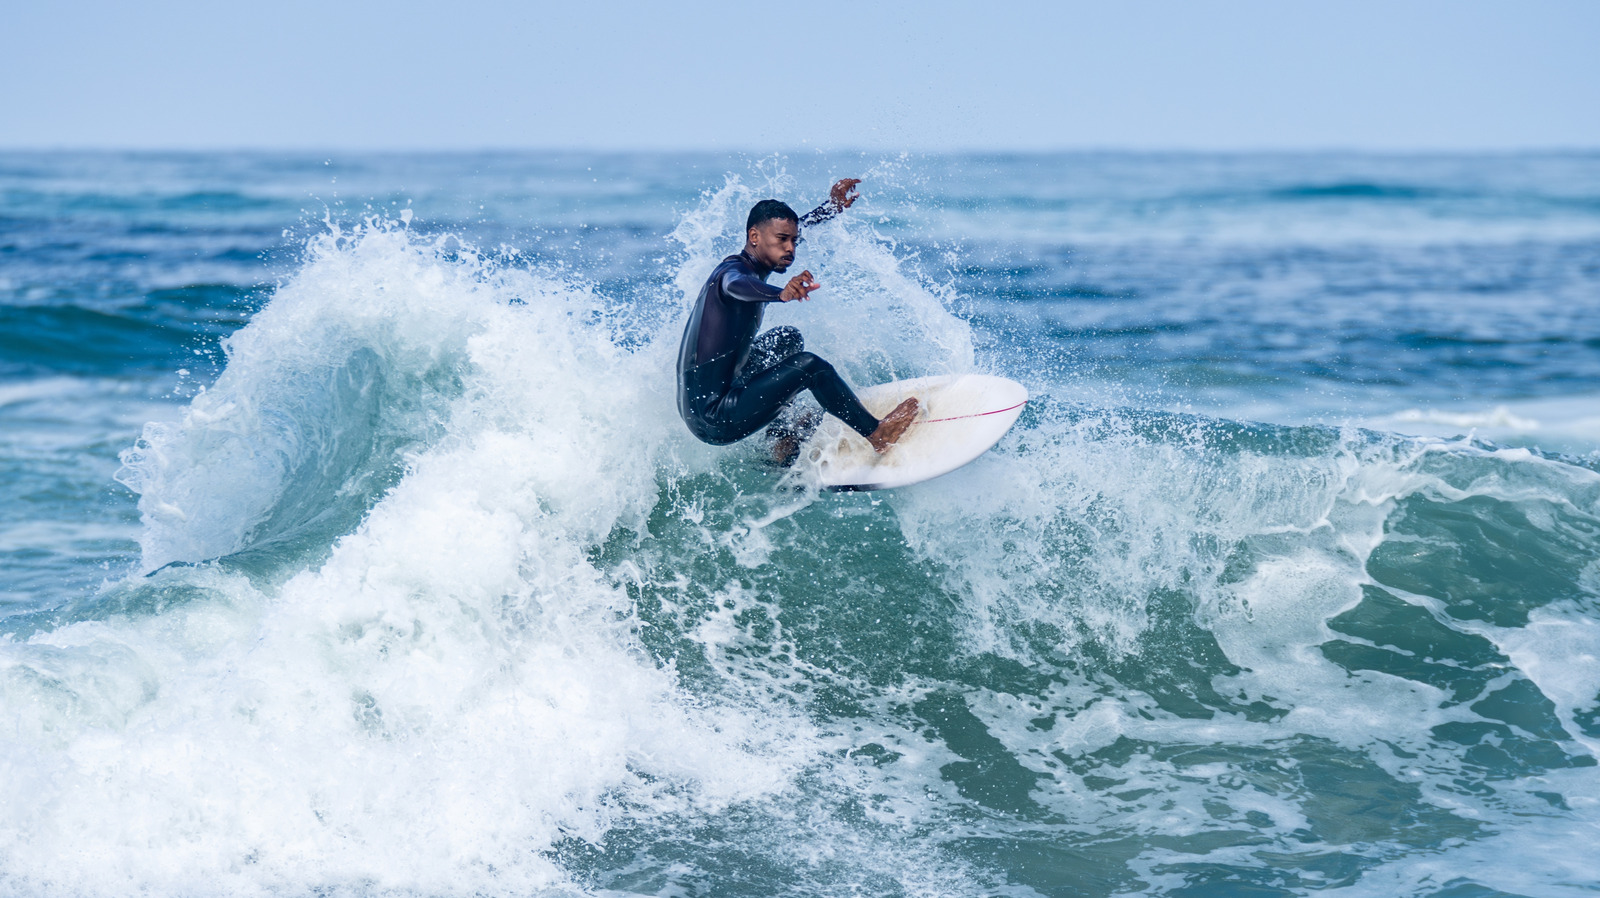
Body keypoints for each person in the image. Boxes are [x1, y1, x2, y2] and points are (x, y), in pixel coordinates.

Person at [676, 178, 919, 462]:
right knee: (810, 367)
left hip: (716, 393)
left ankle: (782, 439)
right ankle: (877, 434)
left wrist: (831, 208)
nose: (791, 248)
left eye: (793, 240)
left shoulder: (755, 260)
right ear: (754, 237)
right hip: (713, 417)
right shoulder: (734, 274)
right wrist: (781, 294)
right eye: (782, 240)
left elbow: (789, 232)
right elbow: (735, 287)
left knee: (787, 339)